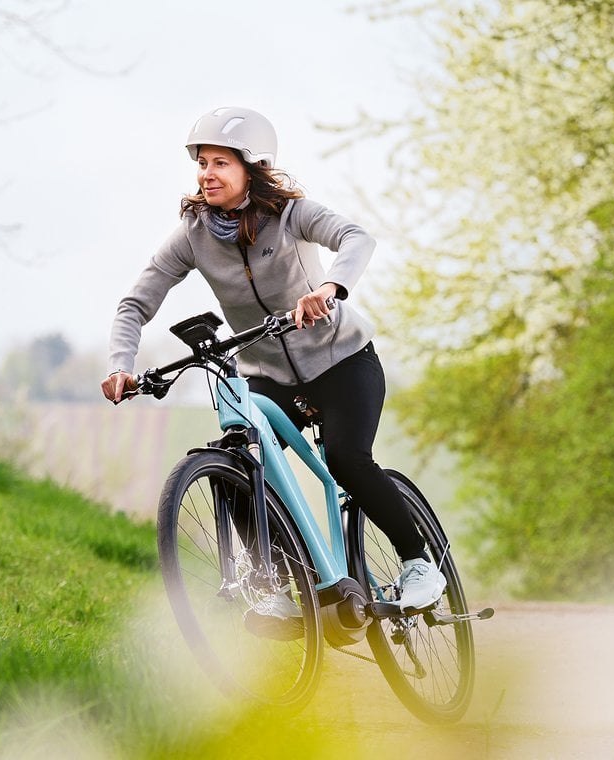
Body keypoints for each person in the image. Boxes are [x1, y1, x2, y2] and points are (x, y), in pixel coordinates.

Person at [101, 106, 445, 616]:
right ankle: (280, 583)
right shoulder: (193, 234)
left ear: (250, 168)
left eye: (221, 163)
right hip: (268, 374)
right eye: (203, 163)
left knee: (347, 460)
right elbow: (136, 303)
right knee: (239, 458)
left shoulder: (291, 215)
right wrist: (119, 364)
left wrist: (329, 288)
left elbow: (356, 238)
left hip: (342, 361)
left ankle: (419, 563)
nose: (207, 173)